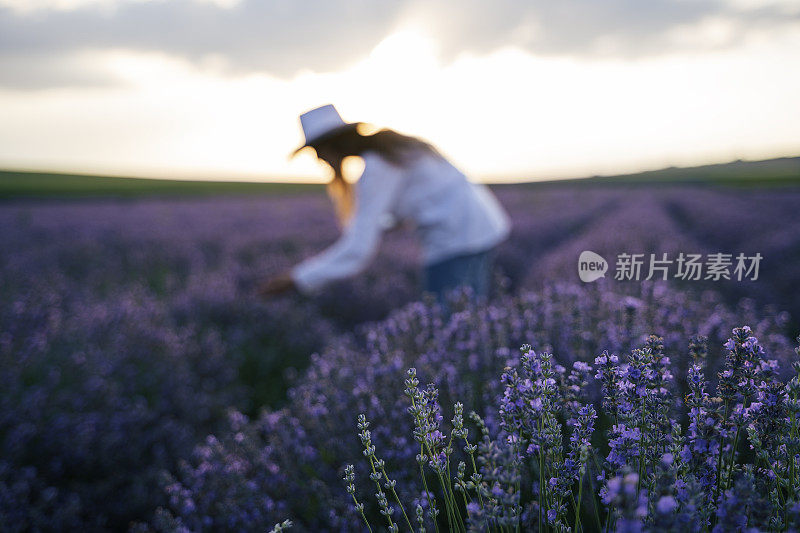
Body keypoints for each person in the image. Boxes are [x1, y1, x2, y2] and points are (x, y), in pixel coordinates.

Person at [258, 104, 511, 301]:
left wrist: (297, 279)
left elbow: (358, 251)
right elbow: (427, 195)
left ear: (333, 145)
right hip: (481, 229)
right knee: (468, 320)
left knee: (448, 327)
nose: (320, 160)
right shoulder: (393, 149)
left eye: (318, 152)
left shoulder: (378, 167)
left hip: (454, 242)